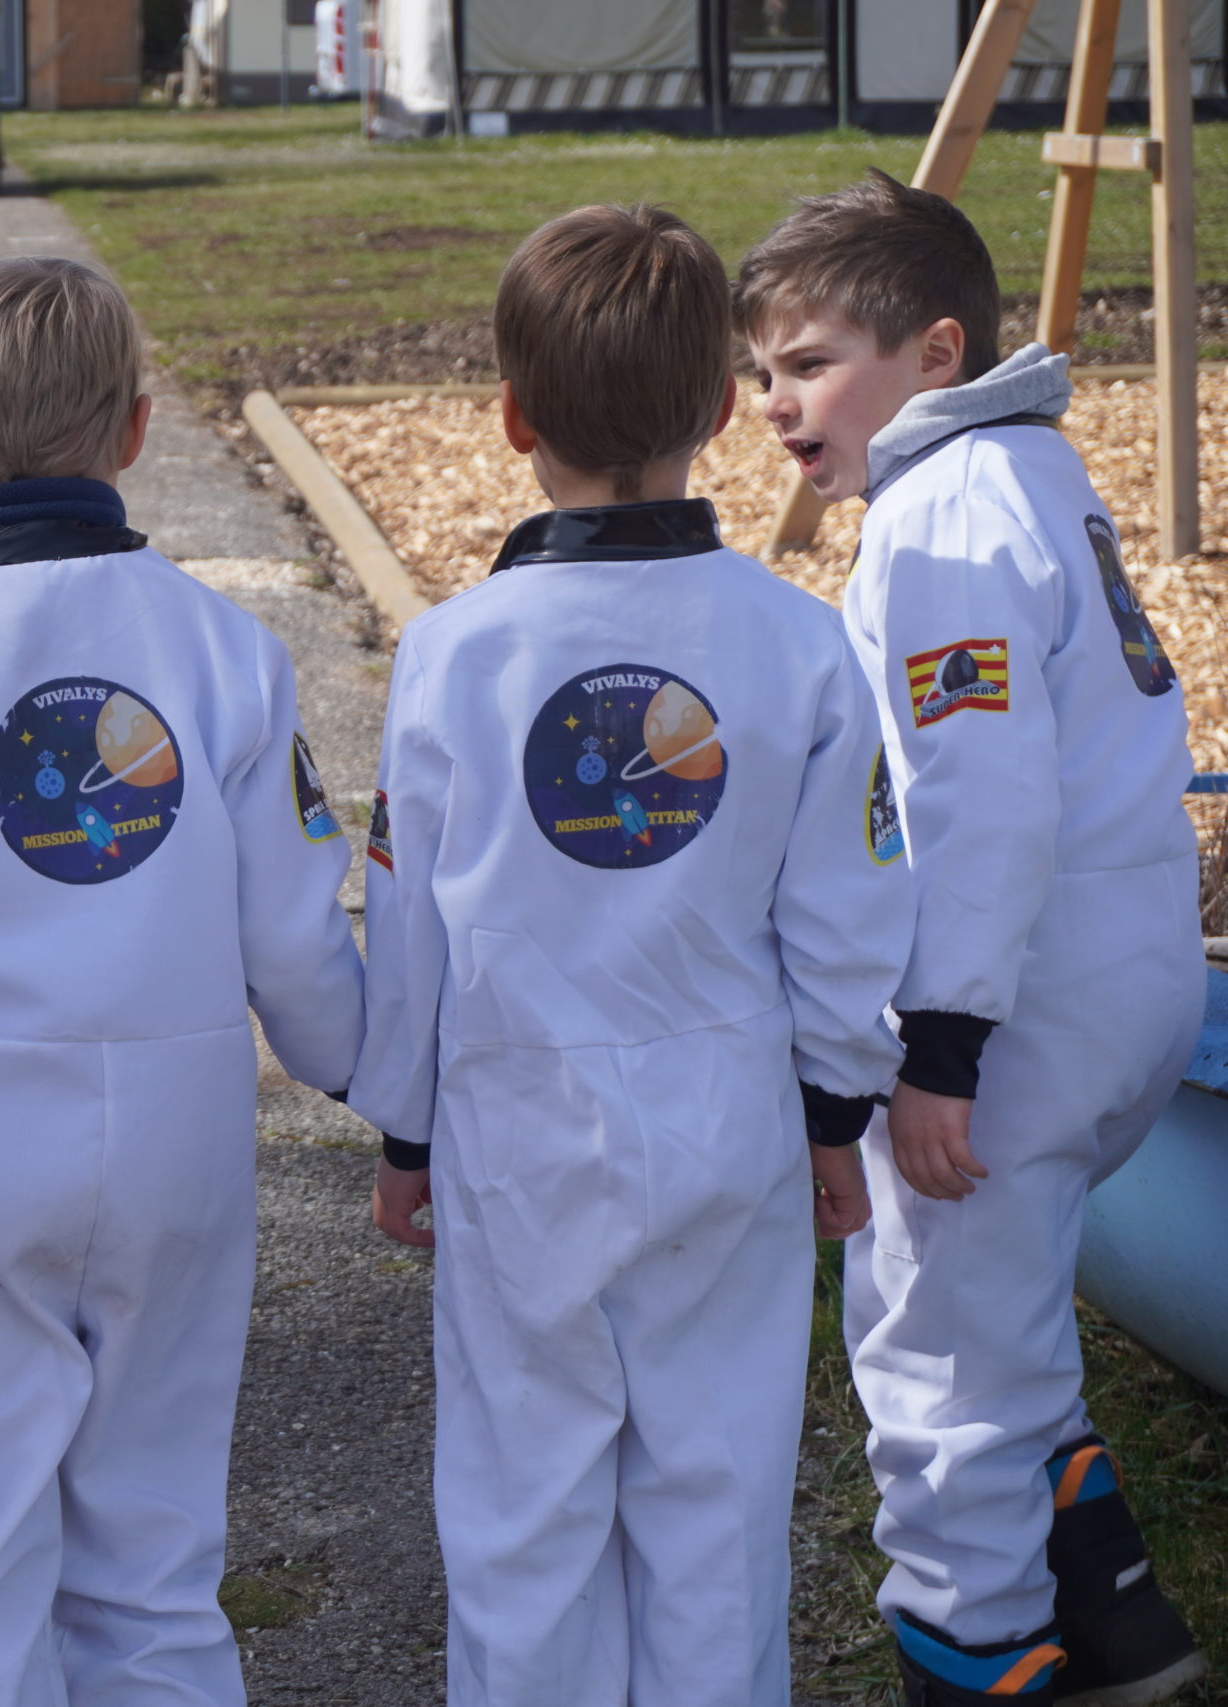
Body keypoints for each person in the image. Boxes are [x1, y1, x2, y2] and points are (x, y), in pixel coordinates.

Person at [0, 254, 365, 1707]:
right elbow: (297, 939)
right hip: (175, 1134)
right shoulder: (229, 649)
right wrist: (376, 1084)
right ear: (134, 433)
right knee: (158, 1544)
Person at [355, 204, 912, 1707]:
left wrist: (403, 1127)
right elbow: (848, 921)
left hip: (513, 1128)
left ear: (513, 417)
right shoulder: (795, 645)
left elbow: (408, 935)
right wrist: (835, 1112)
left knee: (524, 1506)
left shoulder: (454, 653)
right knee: (717, 1502)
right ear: (727, 410)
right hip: (728, 1114)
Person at [741, 169, 1209, 1707]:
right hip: (1121, 986)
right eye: (760, 373)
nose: (772, 403)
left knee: (939, 1362)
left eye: (808, 363)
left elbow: (977, 803)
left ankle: (980, 1647)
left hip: (1011, 1019)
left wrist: (939, 1047)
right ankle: (1123, 1636)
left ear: (933, 352)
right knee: (1002, 1326)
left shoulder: (940, 517)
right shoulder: (1032, 468)